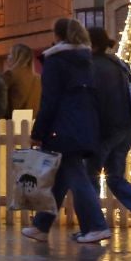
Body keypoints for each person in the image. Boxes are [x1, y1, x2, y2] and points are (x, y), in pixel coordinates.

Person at [21, 19, 111, 247]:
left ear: (58, 35)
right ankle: (41, 225)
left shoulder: (56, 61)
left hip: (63, 127)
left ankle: (96, 226)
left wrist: (38, 131)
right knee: (60, 178)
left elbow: (49, 100)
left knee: (75, 174)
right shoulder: (86, 60)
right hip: (84, 125)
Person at [87, 27, 131, 217]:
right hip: (127, 127)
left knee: (90, 175)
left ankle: (94, 221)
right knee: (115, 177)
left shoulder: (92, 67)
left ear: (92, 44)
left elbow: (97, 102)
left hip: (106, 129)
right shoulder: (119, 64)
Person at [2, 44, 43, 119]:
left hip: (13, 123)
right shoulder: (38, 78)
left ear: (17, 57)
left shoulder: (11, 74)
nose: (8, 57)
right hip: (33, 123)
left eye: (10, 54)